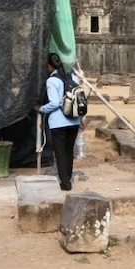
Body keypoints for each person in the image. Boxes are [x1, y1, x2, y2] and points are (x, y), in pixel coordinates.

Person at [34, 53, 82, 191]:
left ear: (49, 66)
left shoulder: (52, 81)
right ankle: (67, 178)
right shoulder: (73, 77)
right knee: (68, 152)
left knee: (60, 153)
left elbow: (54, 103)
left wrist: (41, 108)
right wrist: (81, 119)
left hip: (58, 122)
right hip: (73, 121)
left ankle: (65, 183)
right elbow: (79, 99)